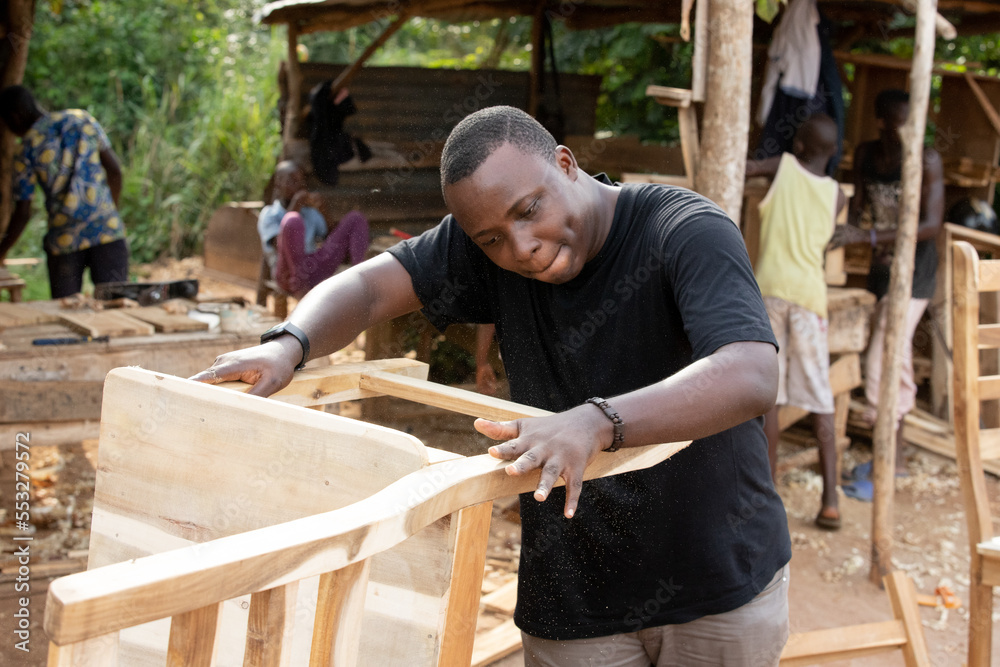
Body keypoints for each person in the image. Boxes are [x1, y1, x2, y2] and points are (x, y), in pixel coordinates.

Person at [197, 106, 791, 666]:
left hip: (718, 581)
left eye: (530, 210)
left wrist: (595, 421)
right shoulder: (483, 242)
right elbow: (370, 288)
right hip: (574, 598)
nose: (521, 247)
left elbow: (751, 371)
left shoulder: (683, 229)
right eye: (492, 239)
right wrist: (289, 342)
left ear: (565, 164)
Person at [830, 89, 944, 475]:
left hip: (916, 270)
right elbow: (859, 206)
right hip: (883, 267)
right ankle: (895, 454)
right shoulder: (867, 155)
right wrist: (843, 226)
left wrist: (869, 238)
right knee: (895, 354)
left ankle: (888, 447)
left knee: (883, 353)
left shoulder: (926, 160)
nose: (910, 131)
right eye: (901, 122)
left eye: (915, 123)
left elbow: (930, 226)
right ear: (881, 122)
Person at [747, 114, 846, 530]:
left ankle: (768, 487)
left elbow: (744, 168)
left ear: (800, 146)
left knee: (769, 395)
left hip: (770, 292)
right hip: (810, 299)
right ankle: (830, 501)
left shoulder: (781, 166)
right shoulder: (839, 195)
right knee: (821, 400)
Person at [0, 85, 128, 298]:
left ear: (15, 117)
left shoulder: (27, 147)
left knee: (66, 313)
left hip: (65, 241)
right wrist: (107, 212)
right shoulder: (81, 119)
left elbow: (23, 211)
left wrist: (2, 249)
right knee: (114, 308)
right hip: (107, 232)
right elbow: (115, 171)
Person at [257, 160, 369, 298]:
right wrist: (295, 206)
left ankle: (364, 282)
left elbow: (330, 241)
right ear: (279, 182)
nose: (299, 185)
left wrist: (324, 211)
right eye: (292, 180)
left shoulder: (310, 213)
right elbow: (278, 246)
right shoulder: (269, 214)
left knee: (356, 218)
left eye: (301, 180)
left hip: (313, 267)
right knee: (293, 220)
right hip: (288, 276)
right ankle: (302, 293)